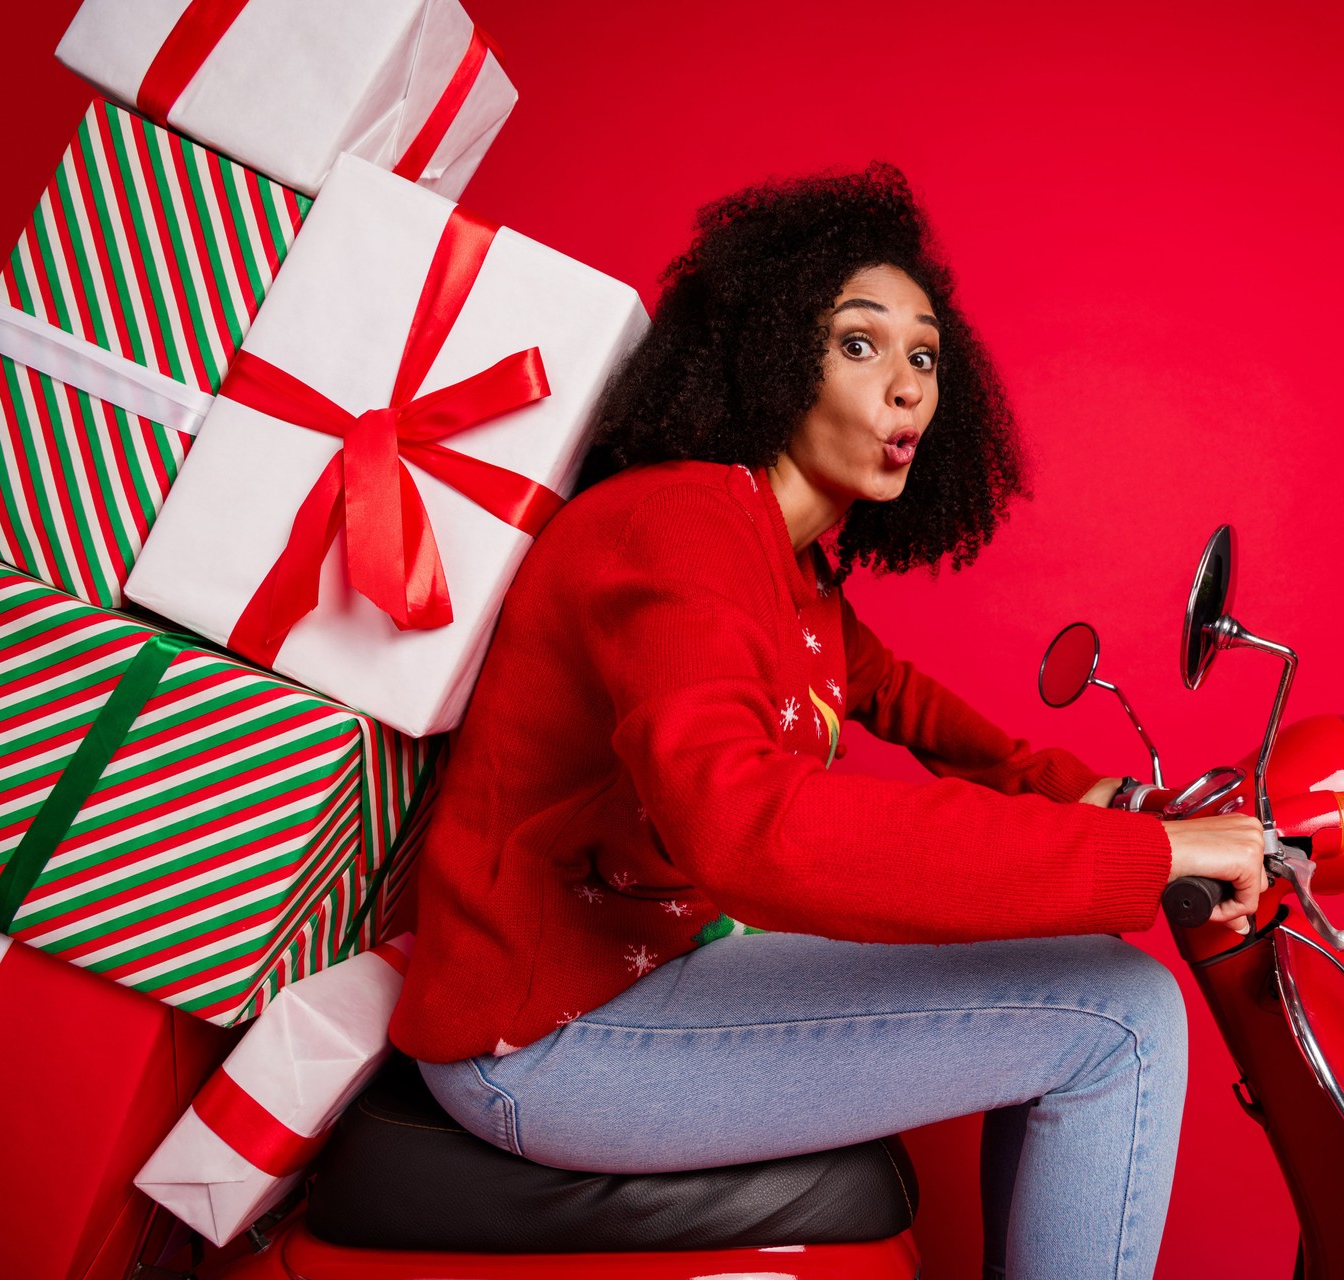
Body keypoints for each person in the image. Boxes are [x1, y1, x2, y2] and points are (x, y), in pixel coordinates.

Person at [389, 162, 1269, 1280]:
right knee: (1126, 1014)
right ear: (766, 356)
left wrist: (1091, 795)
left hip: (650, 966)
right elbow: (746, 829)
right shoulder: (678, 528)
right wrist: (1138, 853)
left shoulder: (789, 569)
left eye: (924, 356)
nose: (906, 386)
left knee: (1092, 971)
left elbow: (909, 707)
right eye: (860, 343)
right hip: (543, 1035)